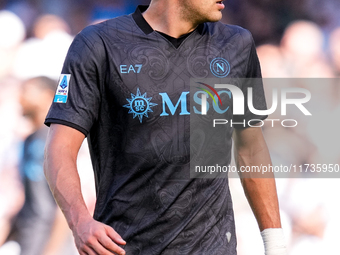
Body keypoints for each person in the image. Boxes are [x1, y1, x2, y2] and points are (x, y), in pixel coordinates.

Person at [44, 1, 286, 254]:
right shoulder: (98, 44)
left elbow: (251, 148)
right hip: (125, 246)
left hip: (212, 246)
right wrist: (80, 222)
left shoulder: (237, 43)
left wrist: (275, 244)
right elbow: (59, 148)